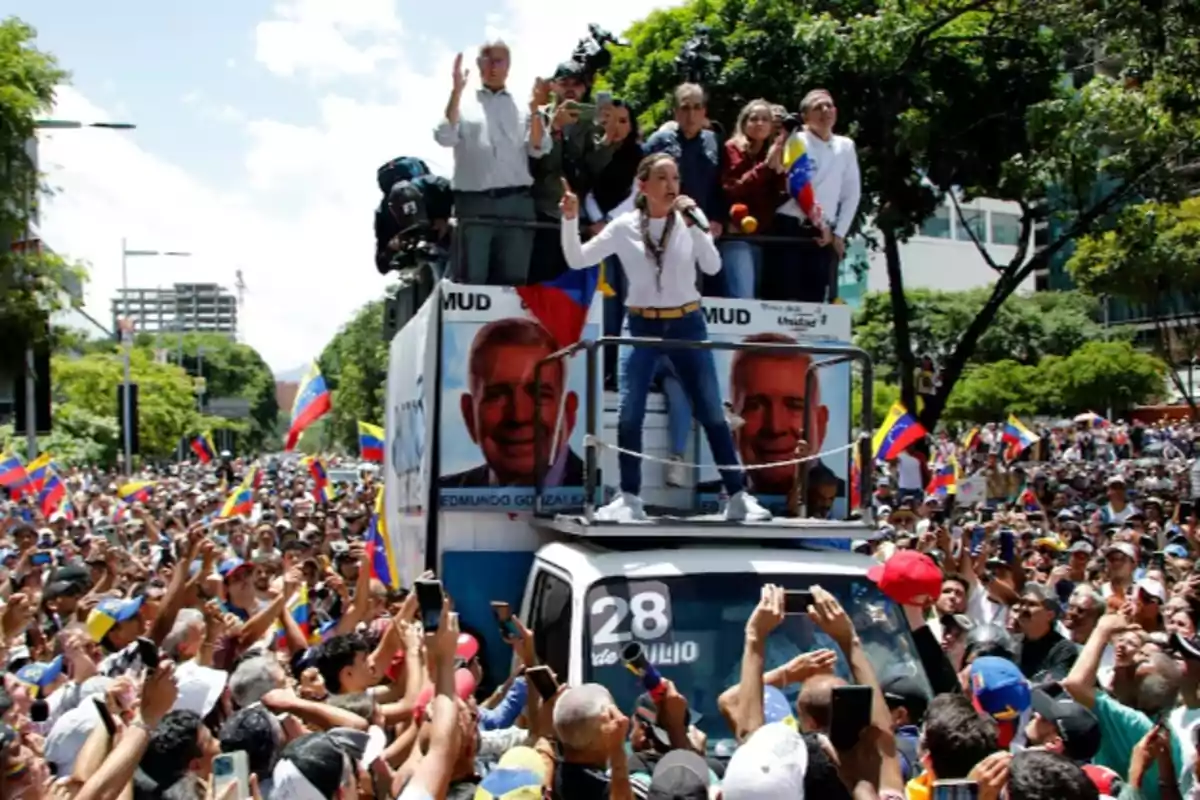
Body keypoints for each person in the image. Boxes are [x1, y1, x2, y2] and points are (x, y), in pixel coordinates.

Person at [559, 152, 771, 522]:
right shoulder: (624, 226)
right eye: (662, 178)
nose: (671, 185)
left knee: (710, 411)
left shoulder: (687, 222)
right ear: (643, 186)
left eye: (675, 178)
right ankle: (630, 498)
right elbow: (578, 259)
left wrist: (695, 226)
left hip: (687, 323)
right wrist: (570, 218)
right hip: (641, 324)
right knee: (629, 413)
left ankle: (738, 496)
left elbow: (713, 266)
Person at [434, 41, 552, 285]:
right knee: (470, 284)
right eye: (487, 59)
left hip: (516, 204)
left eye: (499, 60)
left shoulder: (523, 105)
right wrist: (455, 92)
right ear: (478, 64)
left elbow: (539, 148)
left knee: (514, 287)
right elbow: (445, 137)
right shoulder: (463, 104)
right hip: (474, 205)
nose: (493, 66)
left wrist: (536, 110)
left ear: (509, 65)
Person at [696, 331, 844, 513]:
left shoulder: (845, 496)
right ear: (731, 423)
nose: (775, 427)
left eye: (794, 406)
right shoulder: (704, 493)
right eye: (755, 406)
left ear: (820, 424)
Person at [440, 316, 584, 488]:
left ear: (568, 412)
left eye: (539, 394)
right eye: (497, 395)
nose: (519, 415)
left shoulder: (605, 501)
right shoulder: (445, 492)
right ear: (469, 416)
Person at [764, 89, 861, 303]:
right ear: (806, 116)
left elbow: (851, 191)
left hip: (822, 235)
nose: (825, 110)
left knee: (815, 299)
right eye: (818, 107)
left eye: (829, 105)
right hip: (790, 226)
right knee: (784, 296)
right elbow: (798, 184)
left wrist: (839, 232)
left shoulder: (846, 146)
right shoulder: (797, 139)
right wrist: (822, 224)